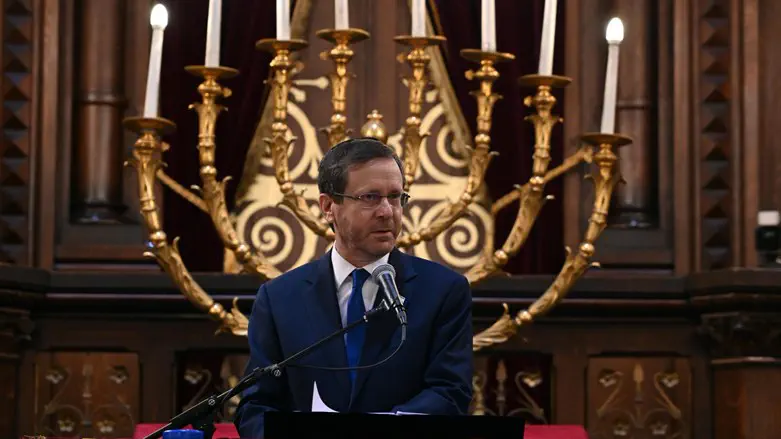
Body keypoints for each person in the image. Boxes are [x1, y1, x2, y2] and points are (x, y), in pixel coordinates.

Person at [234, 137, 473, 438]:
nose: (387, 211)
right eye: (370, 197)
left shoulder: (444, 291)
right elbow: (256, 404)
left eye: (396, 196)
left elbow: (450, 392)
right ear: (328, 206)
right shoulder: (280, 297)